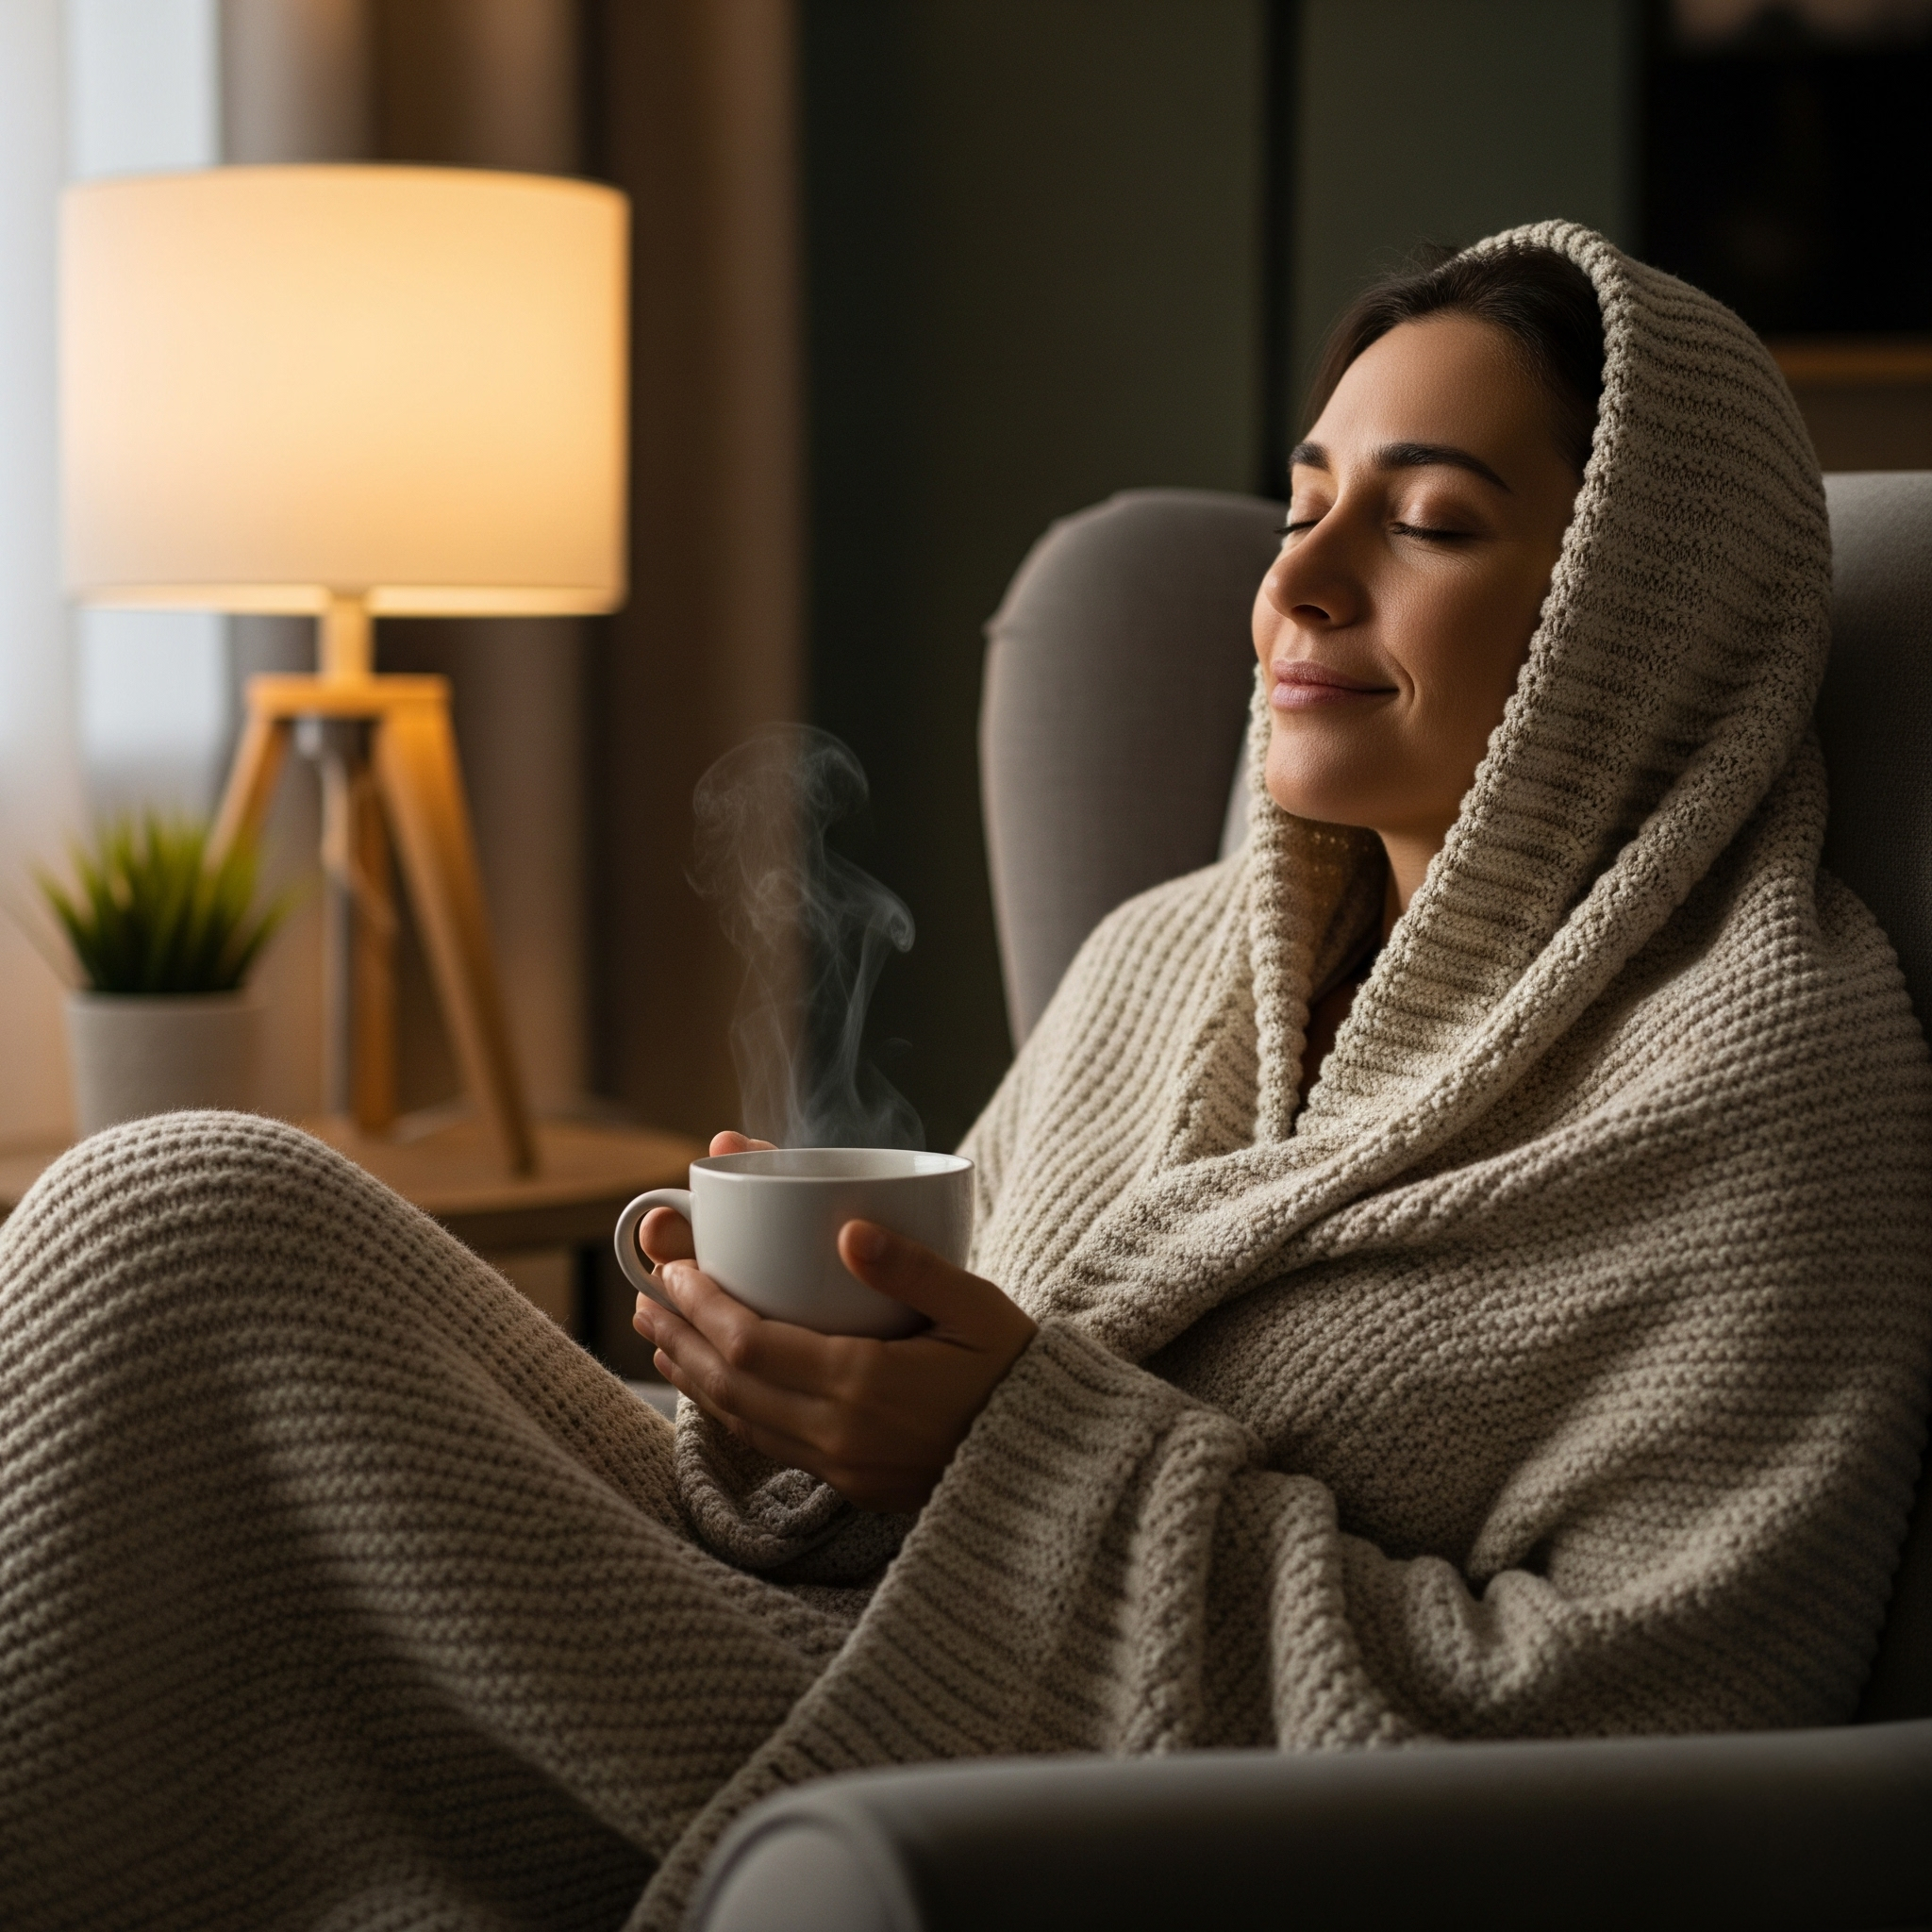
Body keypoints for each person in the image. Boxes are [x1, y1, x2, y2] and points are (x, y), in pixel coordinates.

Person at [2, 223, 1927, 1932]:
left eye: (1424, 522)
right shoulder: (1163, 955)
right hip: (806, 1631)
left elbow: (1632, 1720)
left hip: (1018, 1770)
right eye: (1301, 504)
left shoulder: (1756, 1075)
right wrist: (773, 1392)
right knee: (176, 1210)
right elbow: (885, 1457)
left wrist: (999, 1443)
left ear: (1628, 621)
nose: (1302, 584)